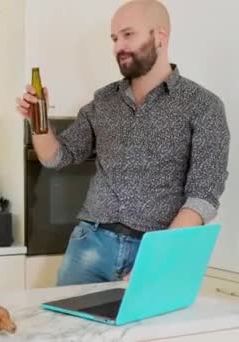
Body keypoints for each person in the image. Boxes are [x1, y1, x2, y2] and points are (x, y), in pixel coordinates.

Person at [17, 0, 229, 286]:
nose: (119, 46)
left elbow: (203, 196)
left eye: (128, 35)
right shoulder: (103, 101)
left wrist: (155, 259)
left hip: (157, 248)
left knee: (152, 332)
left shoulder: (203, 106)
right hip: (89, 244)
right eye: (115, 38)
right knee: (65, 329)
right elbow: (55, 157)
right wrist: (36, 120)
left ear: (160, 37)